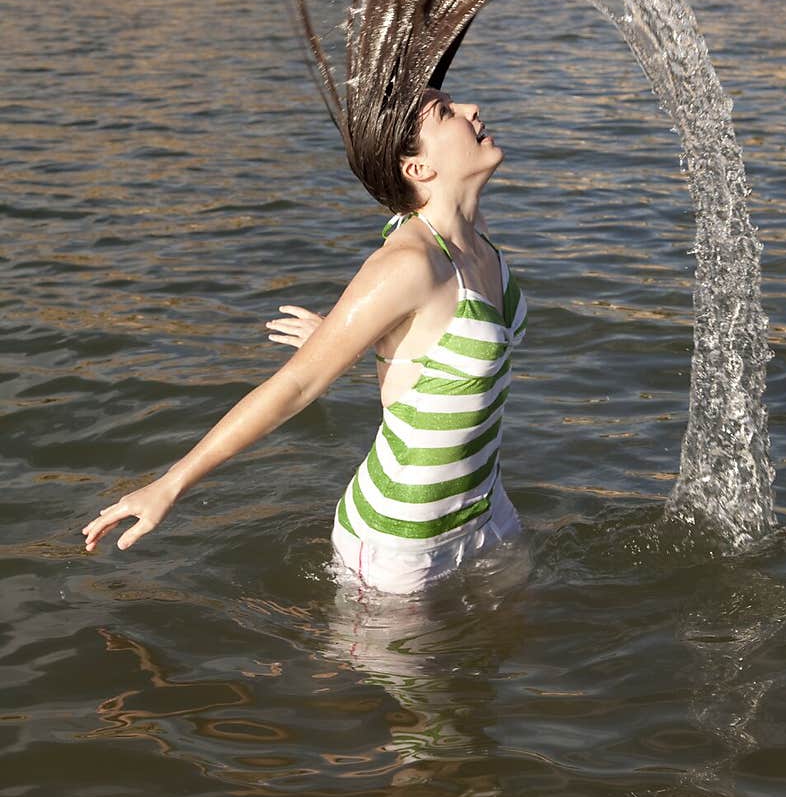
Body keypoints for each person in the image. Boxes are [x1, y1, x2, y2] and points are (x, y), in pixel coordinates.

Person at [81, 85, 527, 594]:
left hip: (487, 509)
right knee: (396, 676)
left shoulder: (471, 230)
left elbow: (433, 349)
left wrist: (360, 339)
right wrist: (169, 485)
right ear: (418, 169)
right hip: (401, 543)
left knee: (506, 656)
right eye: (447, 112)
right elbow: (294, 387)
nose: (473, 109)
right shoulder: (406, 264)